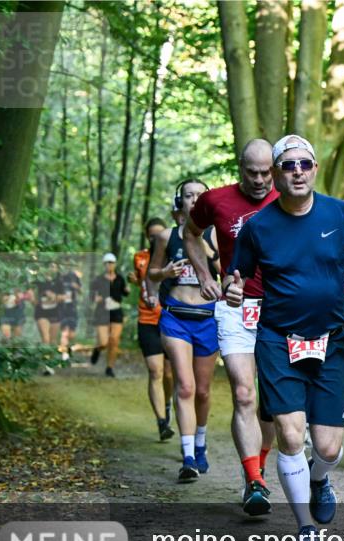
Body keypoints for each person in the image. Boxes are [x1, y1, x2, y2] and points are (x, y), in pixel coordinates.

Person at [227, 134, 344, 541]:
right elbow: (235, 276)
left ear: (313, 169)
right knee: (291, 435)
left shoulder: (337, 212)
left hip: (331, 341)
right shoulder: (258, 226)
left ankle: (319, 479)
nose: (297, 171)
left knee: (328, 448)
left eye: (304, 164)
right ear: (275, 173)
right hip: (277, 340)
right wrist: (233, 290)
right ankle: (305, 527)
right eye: (288, 165)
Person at [184, 138, 279, 515]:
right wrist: (205, 274)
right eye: (252, 172)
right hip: (235, 305)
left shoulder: (291, 199)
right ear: (240, 169)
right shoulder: (216, 200)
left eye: (266, 172)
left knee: (271, 406)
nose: (259, 180)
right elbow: (190, 233)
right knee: (243, 394)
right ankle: (253, 480)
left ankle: (261, 469)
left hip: (280, 310)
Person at [148, 178, 218, 483]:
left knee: (202, 391)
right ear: (181, 202)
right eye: (189, 196)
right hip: (175, 317)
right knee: (186, 386)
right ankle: (188, 456)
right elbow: (152, 272)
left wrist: (201, 241)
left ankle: (200, 443)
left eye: (200, 196)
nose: (194, 200)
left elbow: (227, 270)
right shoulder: (167, 236)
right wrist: (164, 273)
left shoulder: (216, 235)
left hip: (208, 318)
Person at [130, 217, 176, 442]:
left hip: (170, 319)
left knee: (168, 373)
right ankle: (161, 423)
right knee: (155, 371)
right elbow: (144, 281)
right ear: (147, 236)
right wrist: (135, 281)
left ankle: (167, 405)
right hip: (147, 320)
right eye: (152, 235)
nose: (156, 238)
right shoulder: (139, 257)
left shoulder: (172, 258)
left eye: (160, 234)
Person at [90, 253, 129, 378]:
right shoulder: (98, 279)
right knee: (104, 342)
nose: (109, 265)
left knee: (114, 340)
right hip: (102, 311)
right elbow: (91, 295)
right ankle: (97, 349)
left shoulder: (120, 278)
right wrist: (96, 298)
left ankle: (109, 367)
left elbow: (125, 292)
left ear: (115, 264)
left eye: (111, 262)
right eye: (107, 263)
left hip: (116, 310)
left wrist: (127, 290)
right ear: (104, 264)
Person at [57, 265, 82, 362]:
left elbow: (80, 291)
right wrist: (59, 297)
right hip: (61, 308)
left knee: (71, 335)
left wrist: (77, 287)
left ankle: (67, 349)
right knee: (64, 333)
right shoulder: (57, 277)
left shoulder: (73, 276)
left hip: (72, 308)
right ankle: (64, 355)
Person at [33, 264, 60, 345]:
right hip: (41, 313)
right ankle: (43, 356)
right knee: (46, 339)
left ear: (57, 269)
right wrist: (34, 300)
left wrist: (54, 296)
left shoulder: (59, 281)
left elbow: (65, 296)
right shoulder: (38, 281)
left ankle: (51, 356)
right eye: (49, 266)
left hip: (55, 313)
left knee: (53, 341)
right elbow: (31, 293)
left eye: (53, 267)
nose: (50, 269)